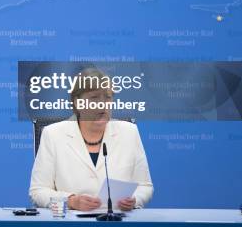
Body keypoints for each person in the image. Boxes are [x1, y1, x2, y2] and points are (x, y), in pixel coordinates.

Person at [29, 68, 153, 211]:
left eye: (107, 97)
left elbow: (145, 186)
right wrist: (70, 201)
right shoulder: (53, 134)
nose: (102, 104)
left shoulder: (129, 132)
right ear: (77, 102)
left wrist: (135, 199)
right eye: (94, 97)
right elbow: (38, 191)